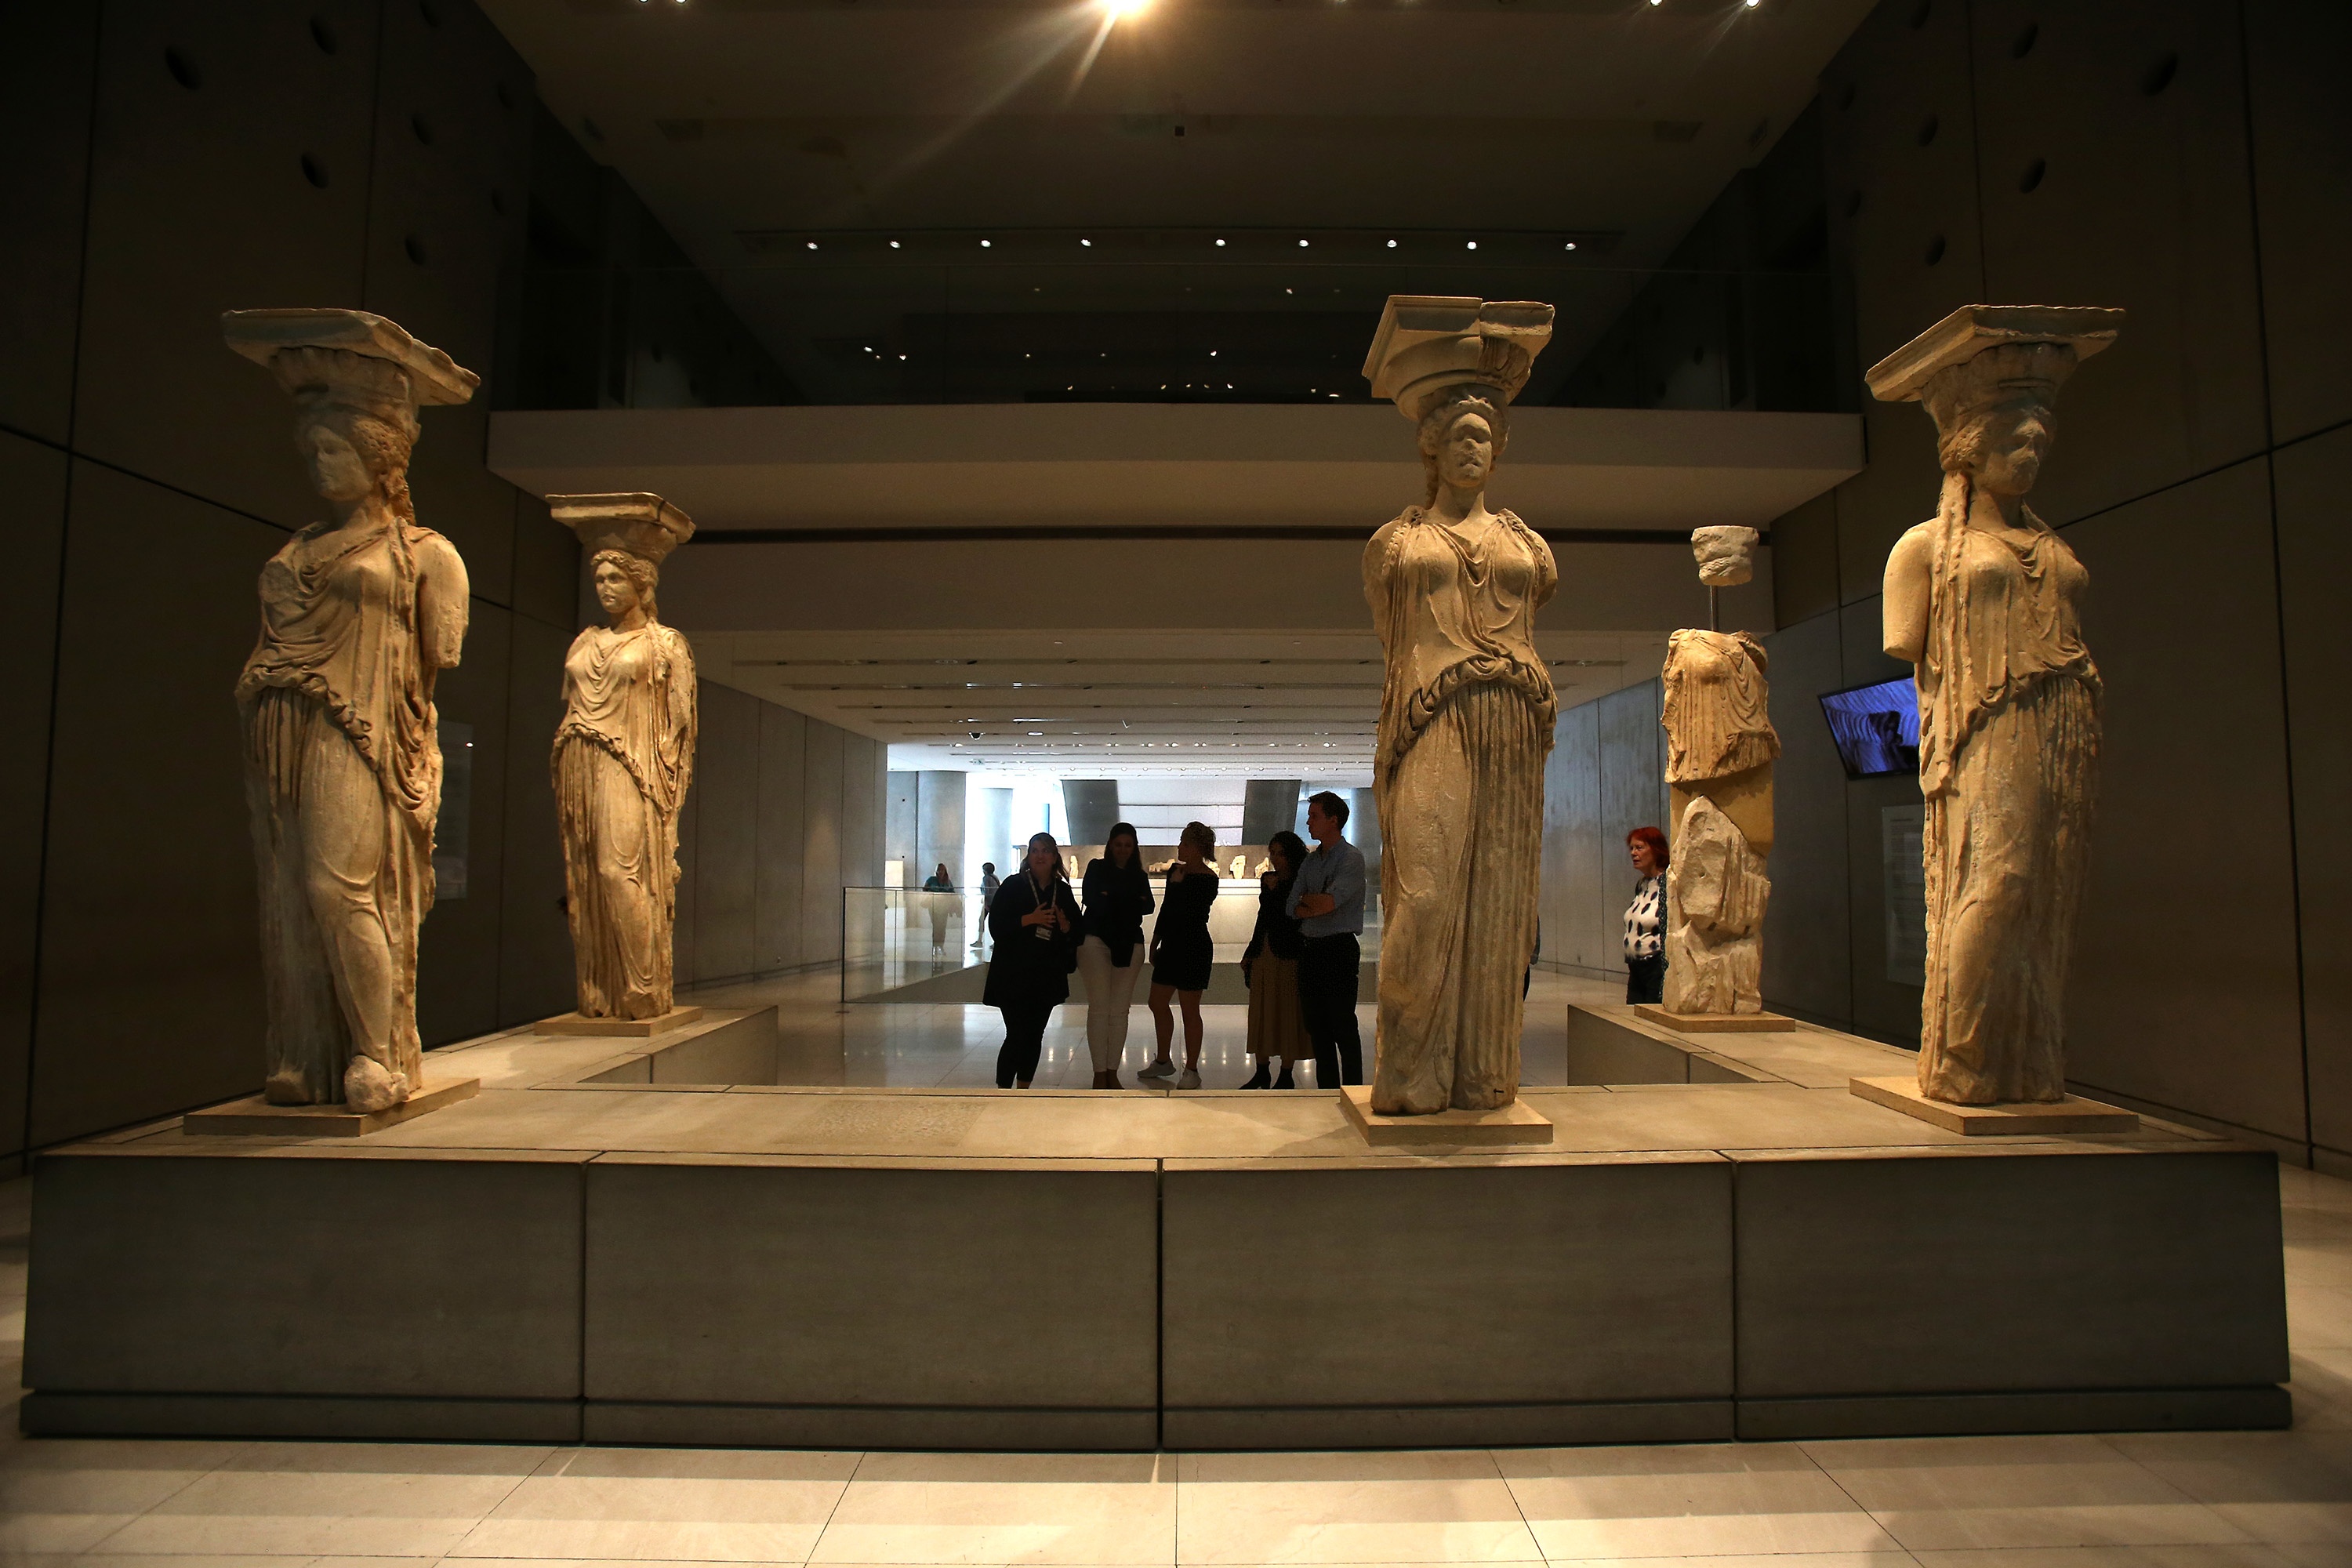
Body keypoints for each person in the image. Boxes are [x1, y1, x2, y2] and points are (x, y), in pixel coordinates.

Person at [981, 833, 1079, 1089]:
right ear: (1029, 856)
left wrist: (1065, 925)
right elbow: (997, 926)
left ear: (1054, 857)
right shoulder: (1013, 885)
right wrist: (1030, 919)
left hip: (1046, 975)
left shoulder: (1062, 891)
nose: (1040, 856)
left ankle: (1024, 1091)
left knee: (1035, 1035)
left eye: (1045, 851)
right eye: (1035, 850)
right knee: (1016, 1034)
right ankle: (1004, 1091)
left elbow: (1077, 932)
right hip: (1013, 975)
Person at [1289, 792, 1367, 1089]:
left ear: (1333, 820)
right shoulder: (1311, 862)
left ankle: (1354, 1090)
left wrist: (1310, 901)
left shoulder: (1351, 859)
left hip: (1338, 950)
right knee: (1317, 1029)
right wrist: (1314, 902)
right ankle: (1327, 1092)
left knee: (1342, 1025)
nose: (1309, 822)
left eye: (1314, 816)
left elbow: (1328, 904)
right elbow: (1291, 905)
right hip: (1311, 950)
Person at [1140, 821, 1218, 1089]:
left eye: (1184, 842)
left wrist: (1178, 886)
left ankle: (1192, 1068)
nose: (1180, 847)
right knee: (1157, 1001)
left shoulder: (1208, 878)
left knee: (1189, 1009)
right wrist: (1155, 941)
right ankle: (1163, 1059)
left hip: (1194, 946)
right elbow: (1167, 909)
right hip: (1172, 945)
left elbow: (1192, 911)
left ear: (1197, 847)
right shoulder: (1176, 871)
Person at [1077, 822, 1155, 1089]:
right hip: (1095, 940)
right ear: (1110, 845)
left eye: (1127, 845)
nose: (1122, 849)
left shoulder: (1139, 875)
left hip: (1129, 944)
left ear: (1134, 848)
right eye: (1118, 844)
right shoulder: (1097, 868)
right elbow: (1092, 899)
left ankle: (1112, 1071)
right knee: (1100, 1008)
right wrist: (1130, 899)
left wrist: (1111, 896)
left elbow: (1149, 905)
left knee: (1120, 1011)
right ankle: (1099, 1073)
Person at [1239, 829, 1312, 1088]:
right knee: (1262, 1009)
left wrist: (1277, 889)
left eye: (1280, 853)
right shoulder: (1269, 879)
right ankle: (1262, 1070)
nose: (1276, 859)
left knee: (1287, 1011)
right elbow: (1264, 917)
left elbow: (1291, 914)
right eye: (1273, 853)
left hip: (1290, 952)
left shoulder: (1301, 882)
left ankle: (1286, 1074)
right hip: (1266, 950)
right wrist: (1251, 950)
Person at [1623, 826, 1668, 1004]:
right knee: (1631, 1014)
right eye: (1632, 848)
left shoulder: (1667, 885)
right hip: (1636, 967)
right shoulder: (1642, 885)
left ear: (1656, 850)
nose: (1633, 853)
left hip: (1655, 968)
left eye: (1640, 848)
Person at [922, 861, 955, 955]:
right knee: (936, 926)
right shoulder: (931, 879)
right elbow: (924, 889)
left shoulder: (948, 882)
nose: (940, 872)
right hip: (933, 906)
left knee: (942, 927)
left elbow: (952, 893)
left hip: (944, 907)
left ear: (945, 871)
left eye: (942, 870)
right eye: (939, 870)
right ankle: (935, 946)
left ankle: (941, 946)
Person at [972, 861, 1000, 950]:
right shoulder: (995, 877)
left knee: (982, 920)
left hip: (989, 903)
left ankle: (980, 940)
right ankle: (996, 941)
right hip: (995, 902)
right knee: (994, 922)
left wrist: (986, 903)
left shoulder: (986, 878)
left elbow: (986, 892)